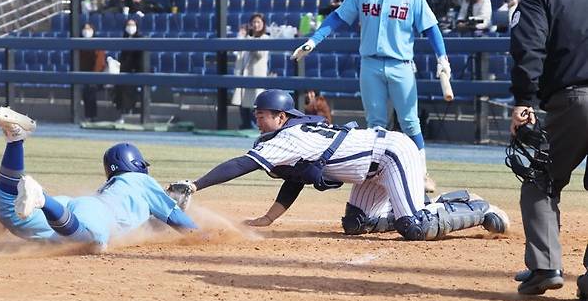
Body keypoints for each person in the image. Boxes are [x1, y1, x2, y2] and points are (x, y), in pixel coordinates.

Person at [168, 90, 508, 240]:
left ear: (281, 116)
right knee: (356, 224)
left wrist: (197, 184)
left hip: (390, 153)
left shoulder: (289, 136)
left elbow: (242, 164)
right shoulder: (291, 136)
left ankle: (477, 208)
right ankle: (422, 204)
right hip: (372, 170)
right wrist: (270, 217)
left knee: (414, 227)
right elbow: (296, 177)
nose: (257, 120)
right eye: (256, 114)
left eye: (262, 115)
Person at [291, 0, 452, 194]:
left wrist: (442, 58)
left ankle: (420, 173)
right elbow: (337, 18)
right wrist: (314, 40)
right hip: (371, 65)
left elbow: (431, 28)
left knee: (410, 123)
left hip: (401, 65)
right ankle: (378, 175)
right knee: (376, 123)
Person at [0, 107, 197, 251]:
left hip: (71, 207)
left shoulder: (112, 188)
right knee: (88, 241)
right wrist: (203, 235)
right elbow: (179, 222)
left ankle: (15, 140)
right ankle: (42, 199)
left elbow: (145, 227)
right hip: (93, 212)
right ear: (138, 164)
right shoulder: (141, 181)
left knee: (8, 211)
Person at [509, 0, 588, 299]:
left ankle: (545, 267)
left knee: (540, 178)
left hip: (572, 102)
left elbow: (529, 51)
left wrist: (524, 102)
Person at [231, 13, 269, 129]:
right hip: (244, 75)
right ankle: (245, 124)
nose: (256, 25)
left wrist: (248, 39)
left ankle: (255, 126)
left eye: (258, 22)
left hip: (256, 76)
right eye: (254, 22)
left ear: (263, 24)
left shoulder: (265, 38)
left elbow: (259, 54)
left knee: (254, 104)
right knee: (242, 103)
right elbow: (238, 54)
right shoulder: (247, 37)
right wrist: (241, 37)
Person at [112, 18, 143, 123]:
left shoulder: (140, 38)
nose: (130, 27)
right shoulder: (124, 38)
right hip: (124, 70)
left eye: (132, 25)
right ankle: (122, 113)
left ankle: (128, 113)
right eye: (128, 25)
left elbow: (140, 58)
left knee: (128, 90)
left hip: (135, 71)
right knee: (119, 89)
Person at [79, 23, 106, 122]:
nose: (86, 31)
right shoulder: (79, 43)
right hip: (82, 75)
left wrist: (93, 76)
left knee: (90, 90)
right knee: (85, 90)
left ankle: (92, 116)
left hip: (96, 76)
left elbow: (100, 63)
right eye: (85, 28)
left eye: (89, 28)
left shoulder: (97, 44)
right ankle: (87, 116)